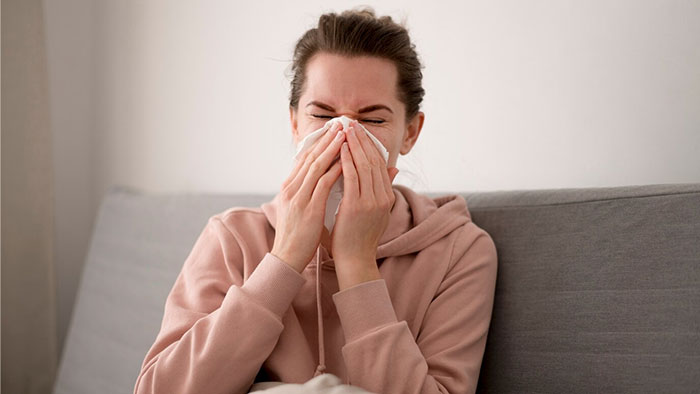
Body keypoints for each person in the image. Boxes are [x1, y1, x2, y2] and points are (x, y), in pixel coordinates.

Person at [133, 7, 498, 394]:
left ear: (410, 133)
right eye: (322, 115)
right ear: (294, 123)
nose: (343, 136)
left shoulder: (460, 250)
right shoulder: (233, 237)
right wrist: (286, 257)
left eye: (372, 120)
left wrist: (357, 262)